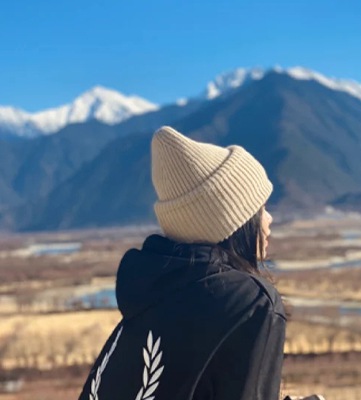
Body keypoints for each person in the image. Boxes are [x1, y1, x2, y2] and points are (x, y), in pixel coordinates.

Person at [78, 126, 286, 400]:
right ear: (235, 221)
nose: (269, 220)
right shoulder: (251, 303)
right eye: (260, 209)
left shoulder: (150, 298)